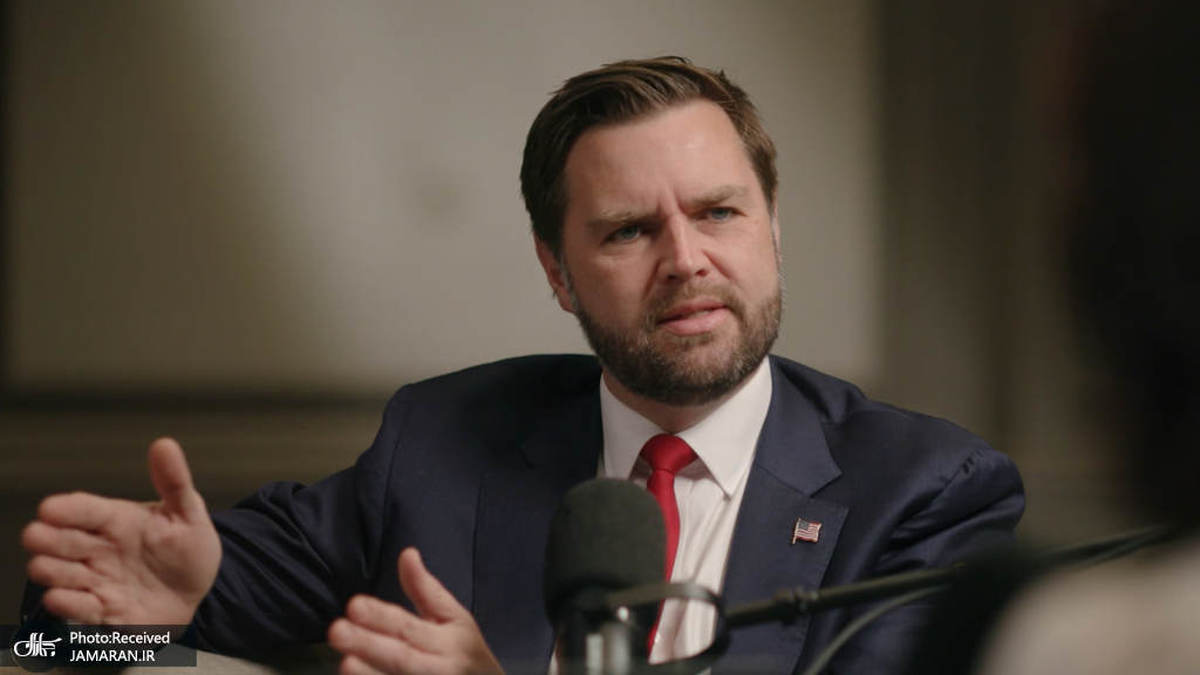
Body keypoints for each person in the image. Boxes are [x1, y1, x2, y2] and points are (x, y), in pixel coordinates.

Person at [20, 56, 1024, 673]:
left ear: (773, 229)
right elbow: (50, 647)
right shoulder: (442, 445)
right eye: (629, 230)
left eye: (719, 211)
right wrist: (141, 622)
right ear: (557, 271)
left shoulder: (921, 492)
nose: (686, 259)